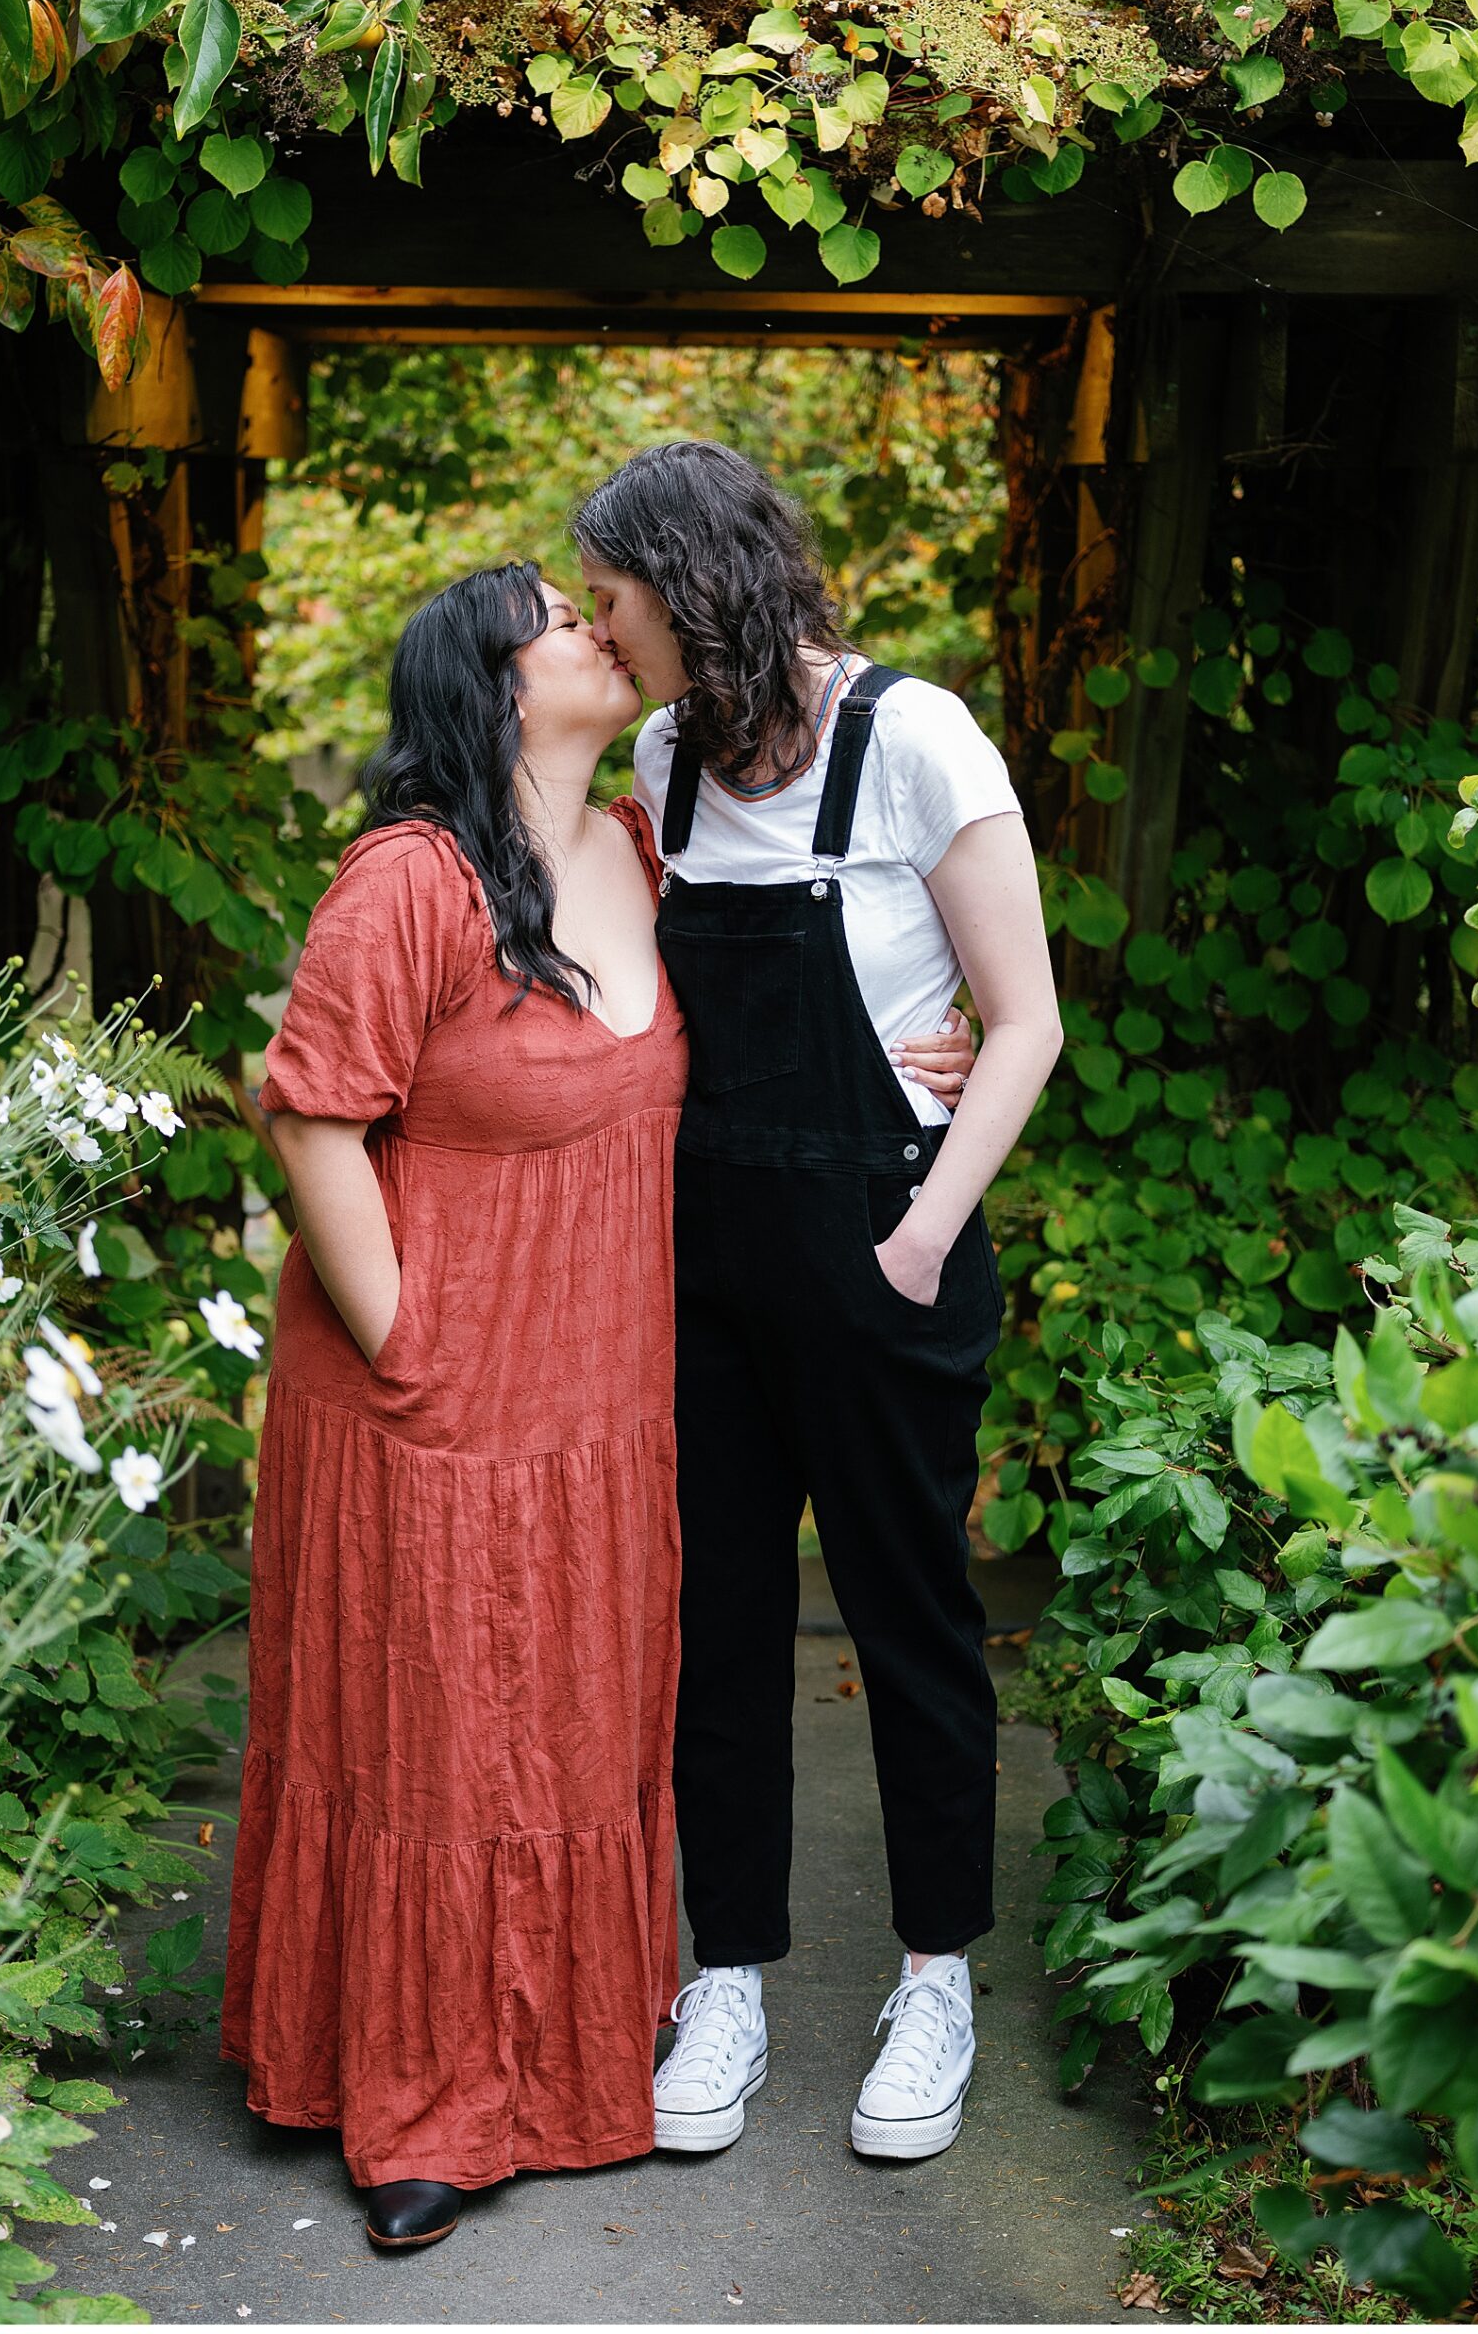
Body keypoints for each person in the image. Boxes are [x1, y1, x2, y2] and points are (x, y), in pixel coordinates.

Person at [220, 559, 976, 2249]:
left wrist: (934, 1034)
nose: (601, 632)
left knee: (572, 1714)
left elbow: (816, 970)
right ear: (492, 685)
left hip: (606, 1388)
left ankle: (561, 2052)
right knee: (439, 1738)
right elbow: (310, 1115)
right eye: (562, 619)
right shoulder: (405, 883)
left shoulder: (639, 844)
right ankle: (420, 2097)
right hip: (429, 1386)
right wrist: (408, 1337)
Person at [575, 440, 1063, 2166]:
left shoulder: (915, 740)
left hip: (882, 1248)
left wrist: (923, 1233)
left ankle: (932, 1978)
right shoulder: (663, 761)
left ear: (686, 583)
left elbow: (1023, 1023)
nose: (596, 625)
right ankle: (734, 1977)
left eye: (612, 596)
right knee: (713, 1637)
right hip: (706, 1271)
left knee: (910, 1622)